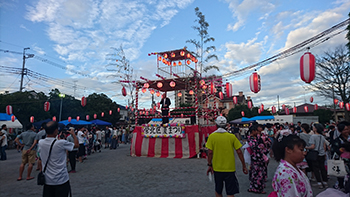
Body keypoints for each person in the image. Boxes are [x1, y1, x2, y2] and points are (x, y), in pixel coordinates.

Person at [206, 116, 248, 197]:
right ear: (226, 125)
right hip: (230, 168)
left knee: (218, 190)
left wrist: (209, 164)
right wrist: (243, 165)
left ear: (216, 125)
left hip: (217, 168)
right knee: (230, 192)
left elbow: (210, 152)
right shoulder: (231, 136)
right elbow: (239, 151)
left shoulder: (212, 136)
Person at [38, 121, 79, 196]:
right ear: (56, 130)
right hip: (61, 179)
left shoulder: (41, 142)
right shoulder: (61, 143)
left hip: (47, 180)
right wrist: (73, 134)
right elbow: (76, 145)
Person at [271, 131, 313, 197]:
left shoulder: (290, 169)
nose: (304, 153)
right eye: (301, 150)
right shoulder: (286, 173)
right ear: (288, 150)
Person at [247, 125, 270, 194]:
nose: (257, 132)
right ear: (253, 131)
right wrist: (261, 147)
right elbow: (255, 147)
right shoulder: (250, 138)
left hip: (259, 157)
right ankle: (257, 188)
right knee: (257, 173)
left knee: (258, 173)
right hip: (256, 157)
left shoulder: (257, 137)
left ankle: (255, 187)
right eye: (256, 130)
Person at [305, 123, 328, 189]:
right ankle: (325, 182)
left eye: (314, 127)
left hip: (315, 154)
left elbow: (312, 146)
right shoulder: (322, 136)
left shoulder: (313, 136)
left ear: (316, 129)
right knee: (322, 168)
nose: (313, 128)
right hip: (322, 154)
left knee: (316, 169)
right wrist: (324, 153)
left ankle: (319, 182)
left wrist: (306, 147)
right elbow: (324, 146)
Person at [331, 121, 350, 191]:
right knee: (342, 177)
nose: (347, 131)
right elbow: (333, 150)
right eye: (345, 130)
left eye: (347, 129)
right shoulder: (337, 140)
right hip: (342, 162)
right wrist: (340, 150)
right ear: (340, 131)